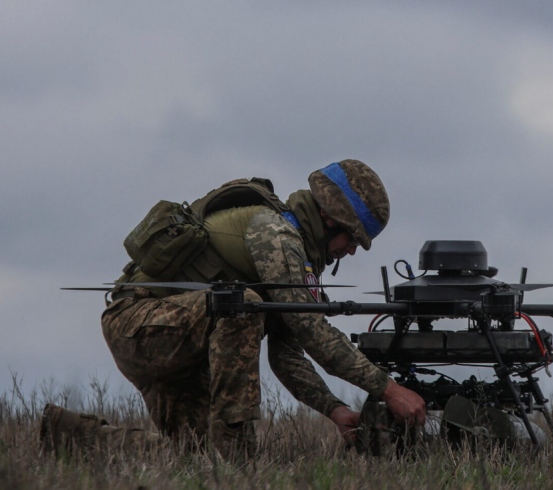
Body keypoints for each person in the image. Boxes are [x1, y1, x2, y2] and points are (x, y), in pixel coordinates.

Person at [41, 159, 426, 461]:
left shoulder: (299, 254)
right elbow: (311, 329)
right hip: (140, 326)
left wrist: (336, 409)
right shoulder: (275, 235)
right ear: (329, 217)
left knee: (193, 461)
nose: (352, 250)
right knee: (242, 306)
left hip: (177, 341)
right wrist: (387, 388)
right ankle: (239, 455)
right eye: (352, 237)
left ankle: (68, 434)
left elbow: (287, 352)